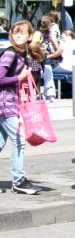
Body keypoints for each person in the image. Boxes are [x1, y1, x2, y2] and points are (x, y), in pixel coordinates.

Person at [0, 20, 45, 194]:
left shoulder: (21, 54)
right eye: (15, 32)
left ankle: (19, 180)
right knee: (19, 140)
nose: (18, 35)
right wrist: (19, 78)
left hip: (7, 102)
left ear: (29, 36)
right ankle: (18, 181)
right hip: (5, 104)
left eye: (22, 32)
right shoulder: (11, 54)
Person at [37, 15, 63, 101]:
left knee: (47, 69)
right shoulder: (38, 35)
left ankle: (49, 94)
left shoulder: (49, 36)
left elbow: (59, 51)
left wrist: (47, 56)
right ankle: (48, 94)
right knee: (46, 70)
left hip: (46, 60)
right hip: (39, 61)